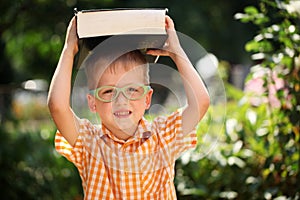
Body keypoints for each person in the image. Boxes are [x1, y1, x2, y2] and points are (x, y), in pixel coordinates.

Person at [48, 15, 210, 199]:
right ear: (93, 102)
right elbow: (57, 107)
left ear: (147, 98)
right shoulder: (89, 143)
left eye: (132, 89)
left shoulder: (162, 137)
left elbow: (201, 102)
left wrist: (176, 52)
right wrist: (69, 49)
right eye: (108, 91)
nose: (121, 100)